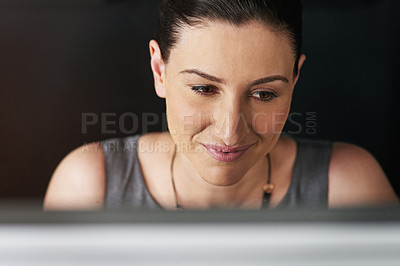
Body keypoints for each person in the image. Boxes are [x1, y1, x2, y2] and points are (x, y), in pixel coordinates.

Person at [43, 0, 398, 210]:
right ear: (159, 71)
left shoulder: (350, 188)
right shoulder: (91, 186)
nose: (231, 131)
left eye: (264, 94)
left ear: (295, 79)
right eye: (203, 88)